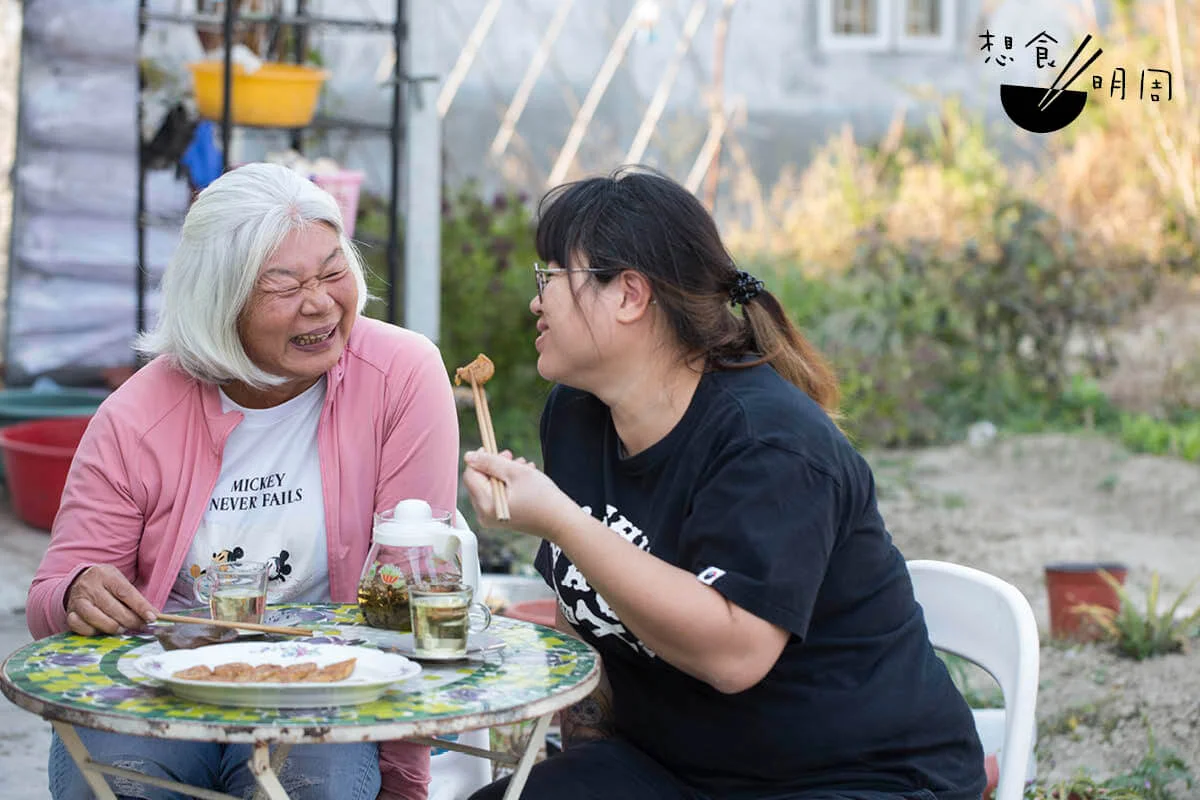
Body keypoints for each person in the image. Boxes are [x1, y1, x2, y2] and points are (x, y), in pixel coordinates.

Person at [460, 166, 987, 800]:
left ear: (630, 294)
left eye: (551, 276)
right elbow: (585, 620)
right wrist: (584, 771)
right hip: (676, 773)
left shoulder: (771, 445)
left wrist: (563, 521)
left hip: (858, 777)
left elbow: (734, 657)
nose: (536, 300)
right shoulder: (576, 414)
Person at [27, 162, 459, 800]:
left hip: (324, 684)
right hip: (170, 683)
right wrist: (78, 592)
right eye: (282, 285)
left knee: (326, 780)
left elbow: (417, 598)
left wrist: (403, 786)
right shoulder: (136, 416)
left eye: (333, 272)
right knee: (115, 780)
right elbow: (53, 593)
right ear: (218, 299)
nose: (319, 302)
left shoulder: (400, 376)